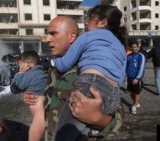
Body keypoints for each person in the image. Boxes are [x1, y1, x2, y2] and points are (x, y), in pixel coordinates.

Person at [23, 14, 125, 140]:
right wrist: (36, 98)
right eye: (47, 34)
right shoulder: (54, 66)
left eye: (53, 33)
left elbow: (117, 117)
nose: (47, 39)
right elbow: (50, 101)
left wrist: (98, 118)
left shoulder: (92, 68)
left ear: (71, 36)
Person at [53, 4, 127, 136]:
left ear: (103, 22)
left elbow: (64, 64)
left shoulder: (90, 35)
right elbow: (121, 75)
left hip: (90, 85)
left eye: (90, 19)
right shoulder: (120, 46)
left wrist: (55, 60)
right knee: (84, 134)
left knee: (63, 134)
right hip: (114, 93)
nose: (86, 23)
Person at [10, 51, 47, 141]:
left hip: (39, 117)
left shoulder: (28, 75)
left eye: (21, 66)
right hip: (44, 113)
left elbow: (14, 89)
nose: (19, 68)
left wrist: (19, 74)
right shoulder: (42, 73)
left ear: (27, 66)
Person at [126, 40, 146, 114]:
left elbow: (142, 67)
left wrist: (137, 78)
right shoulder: (129, 56)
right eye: (132, 47)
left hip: (136, 78)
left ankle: (134, 106)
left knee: (136, 93)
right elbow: (125, 65)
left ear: (138, 47)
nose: (134, 48)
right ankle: (136, 103)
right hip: (129, 77)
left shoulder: (140, 55)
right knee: (131, 92)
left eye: (135, 47)